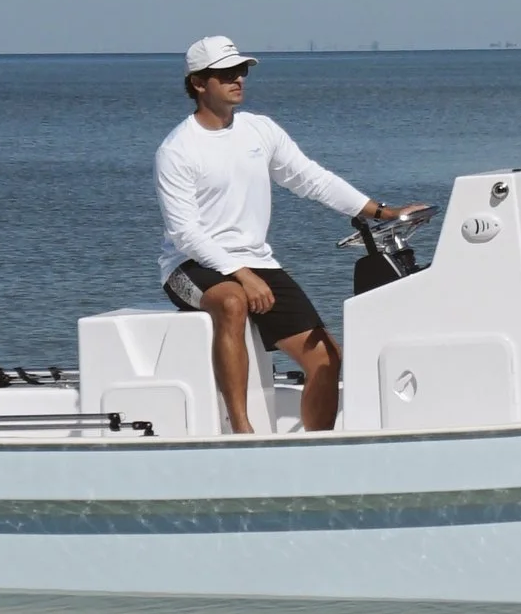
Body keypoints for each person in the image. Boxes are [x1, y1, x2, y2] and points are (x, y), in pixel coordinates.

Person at [155, 39, 431, 434]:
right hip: (189, 266)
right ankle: (242, 430)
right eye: (226, 73)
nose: (238, 79)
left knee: (327, 358)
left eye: (242, 71)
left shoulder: (259, 129)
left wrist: (379, 211)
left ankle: (315, 447)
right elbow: (184, 233)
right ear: (199, 83)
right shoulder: (178, 150)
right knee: (232, 301)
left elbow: (310, 179)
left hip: (257, 261)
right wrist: (242, 275)